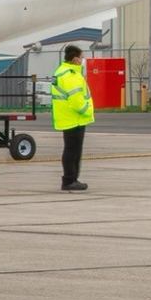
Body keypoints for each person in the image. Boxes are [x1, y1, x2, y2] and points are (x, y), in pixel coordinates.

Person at [51, 44, 94, 192]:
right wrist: (87, 111)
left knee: (71, 149)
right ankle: (70, 180)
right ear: (75, 59)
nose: (82, 60)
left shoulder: (61, 71)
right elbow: (76, 100)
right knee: (73, 150)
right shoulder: (71, 75)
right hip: (75, 117)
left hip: (66, 116)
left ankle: (71, 179)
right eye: (81, 57)